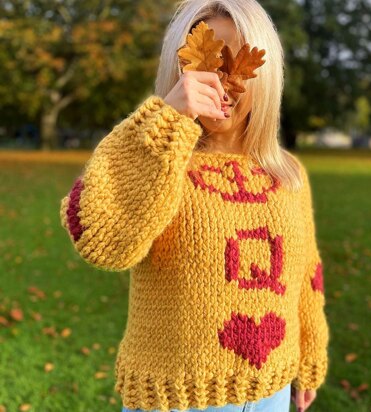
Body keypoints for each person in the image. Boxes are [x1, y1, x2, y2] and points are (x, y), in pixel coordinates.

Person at [59, 1, 330, 411]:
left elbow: (305, 274)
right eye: (207, 60)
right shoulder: (162, 161)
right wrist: (166, 121)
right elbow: (102, 240)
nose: (224, 80)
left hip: (271, 391)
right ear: (179, 66)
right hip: (176, 396)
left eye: (240, 61)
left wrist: (309, 357)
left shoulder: (287, 174)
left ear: (268, 74)